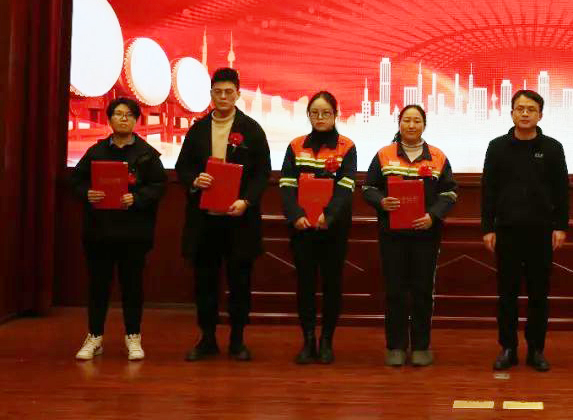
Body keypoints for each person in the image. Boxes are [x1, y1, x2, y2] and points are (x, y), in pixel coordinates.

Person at [176, 67, 271, 362]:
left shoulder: (251, 130)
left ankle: (237, 340)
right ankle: (207, 339)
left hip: (238, 220)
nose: (223, 97)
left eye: (229, 92)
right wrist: (195, 180)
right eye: (218, 92)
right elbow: (182, 167)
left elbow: (262, 173)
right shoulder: (198, 129)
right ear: (211, 95)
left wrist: (247, 200)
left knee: (239, 283)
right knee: (205, 282)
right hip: (205, 221)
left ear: (238, 94)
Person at [69, 97, 166, 361]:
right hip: (99, 232)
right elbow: (75, 181)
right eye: (118, 114)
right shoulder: (96, 152)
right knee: (98, 287)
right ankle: (94, 337)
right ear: (110, 119)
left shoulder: (147, 154)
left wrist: (137, 198)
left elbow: (159, 186)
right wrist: (87, 193)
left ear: (136, 120)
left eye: (129, 115)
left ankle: (133, 337)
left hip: (133, 234)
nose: (124, 118)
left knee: (132, 287)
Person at [362, 105, 457, 367]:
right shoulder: (384, 155)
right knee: (394, 291)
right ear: (399, 123)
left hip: (425, 234)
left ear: (424, 125)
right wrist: (381, 202)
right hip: (392, 235)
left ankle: (421, 346)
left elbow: (449, 193)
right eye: (407, 120)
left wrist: (433, 216)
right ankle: (395, 346)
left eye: (417, 121)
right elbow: (368, 187)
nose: (412, 125)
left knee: (422, 291)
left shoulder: (437, 156)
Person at [481, 89, 569, 372]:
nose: (525, 113)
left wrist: (561, 226)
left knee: (538, 294)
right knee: (506, 294)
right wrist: (487, 228)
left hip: (541, 232)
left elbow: (562, 191)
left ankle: (536, 349)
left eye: (531, 109)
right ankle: (507, 348)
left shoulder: (552, 148)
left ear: (540, 115)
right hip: (506, 231)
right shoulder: (497, 147)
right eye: (520, 109)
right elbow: (488, 190)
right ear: (512, 113)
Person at [278, 91, 357, 364]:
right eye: (315, 113)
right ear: (308, 115)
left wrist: (329, 216)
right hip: (302, 228)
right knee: (306, 285)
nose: (320, 117)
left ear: (335, 115)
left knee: (332, 285)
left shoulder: (346, 146)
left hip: (332, 229)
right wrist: (295, 215)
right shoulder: (296, 146)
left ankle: (327, 342)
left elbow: (346, 186)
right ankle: (308, 340)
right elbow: (286, 184)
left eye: (326, 113)